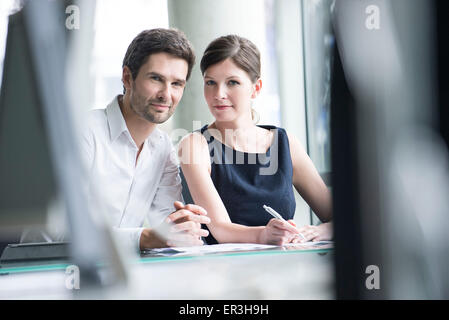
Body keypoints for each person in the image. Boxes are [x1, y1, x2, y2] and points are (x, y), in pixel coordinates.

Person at [178, 35, 332, 245]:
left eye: (232, 82)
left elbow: (335, 216)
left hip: (286, 266)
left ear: (256, 88)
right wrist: (263, 234)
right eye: (210, 82)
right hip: (225, 271)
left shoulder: (285, 144)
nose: (219, 94)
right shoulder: (194, 145)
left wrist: (321, 231)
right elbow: (220, 229)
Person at [82, 28, 210, 252]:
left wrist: (183, 225)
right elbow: (61, 233)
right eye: (156, 79)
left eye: (176, 84)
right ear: (127, 77)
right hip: (48, 276)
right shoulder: (84, 132)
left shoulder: (162, 148)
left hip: (119, 276)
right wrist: (146, 238)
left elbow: (165, 224)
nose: (166, 94)